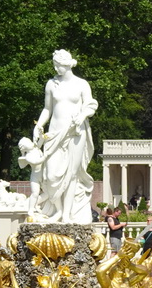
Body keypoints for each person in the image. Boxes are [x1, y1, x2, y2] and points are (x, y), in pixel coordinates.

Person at [30, 49, 99, 224]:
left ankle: (66, 215)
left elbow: (91, 105)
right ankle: (58, 209)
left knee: (72, 175)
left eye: (58, 65)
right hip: (54, 133)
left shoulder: (81, 84)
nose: (56, 68)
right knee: (51, 176)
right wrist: (39, 125)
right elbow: (47, 109)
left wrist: (82, 115)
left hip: (76, 132)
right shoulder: (51, 84)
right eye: (55, 65)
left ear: (67, 65)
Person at [17, 136, 45, 218]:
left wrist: (42, 135)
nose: (31, 143)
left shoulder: (36, 148)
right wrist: (45, 157)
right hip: (35, 177)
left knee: (48, 193)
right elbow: (36, 162)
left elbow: (40, 142)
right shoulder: (28, 156)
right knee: (35, 193)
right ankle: (31, 209)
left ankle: (36, 204)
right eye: (28, 142)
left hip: (43, 175)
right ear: (25, 147)